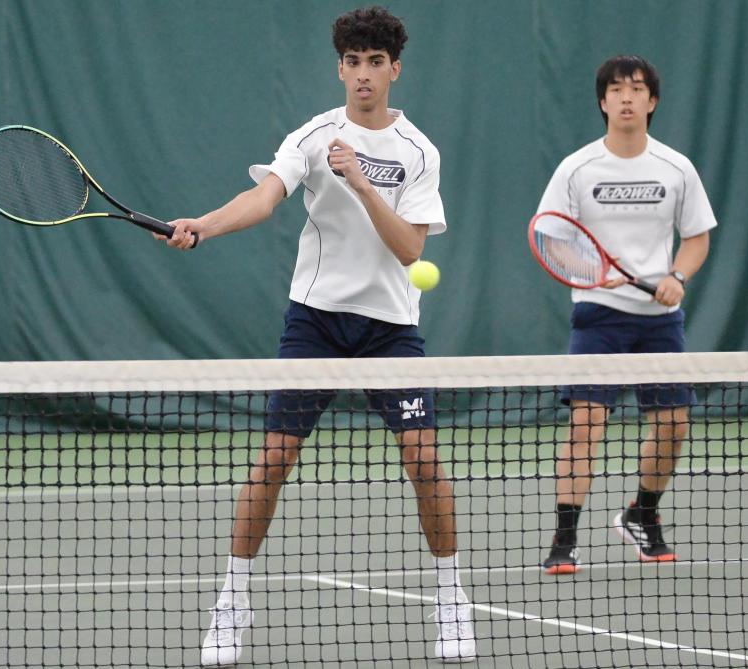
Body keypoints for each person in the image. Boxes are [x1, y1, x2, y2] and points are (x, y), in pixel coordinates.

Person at [159, 7, 476, 665]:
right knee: (274, 459)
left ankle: (452, 601)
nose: (362, 75)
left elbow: (407, 247)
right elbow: (266, 197)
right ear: (340, 68)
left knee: (423, 459)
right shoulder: (311, 136)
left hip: (391, 328)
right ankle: (231, 601)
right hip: (315, 323)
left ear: (395, 69)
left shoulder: (419, 152)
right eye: (351, 62)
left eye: (374, 62)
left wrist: (360, 181)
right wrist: (206, 224)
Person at [535, 55, 717, 575]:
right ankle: (565, 537)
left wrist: (676, 278)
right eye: (616, 90)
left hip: (660, 322)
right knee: (585, 425)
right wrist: (592, 275)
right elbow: (552, 238)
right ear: (603, 101)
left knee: (675, 426)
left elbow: (697, 237)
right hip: (598, 316)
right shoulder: (576, 168)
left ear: (652, 101)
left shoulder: (676, 168)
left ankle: (643, 514)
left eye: (637, 89)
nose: (627, 97)